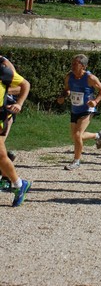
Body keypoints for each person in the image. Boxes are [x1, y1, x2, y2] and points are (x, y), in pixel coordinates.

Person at [56, 54, 101, 171]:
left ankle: (76, 161)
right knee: (75, 137)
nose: (72, 66)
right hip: (75, 109)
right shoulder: (69, 77)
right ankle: (97, 135)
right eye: (72, 63)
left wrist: (95, 101)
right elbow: (67, 89)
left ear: (83, 66)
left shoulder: (90, 78)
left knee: (78, 135)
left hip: (87, 109)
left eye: (75, 64)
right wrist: (62, 96)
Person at [0, 55, 31, 206]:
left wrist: (18, 103)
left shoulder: (3, 67)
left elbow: (24, 85)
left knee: (0, 155)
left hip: (1, 116)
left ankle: (18, 184)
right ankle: (18, 184)